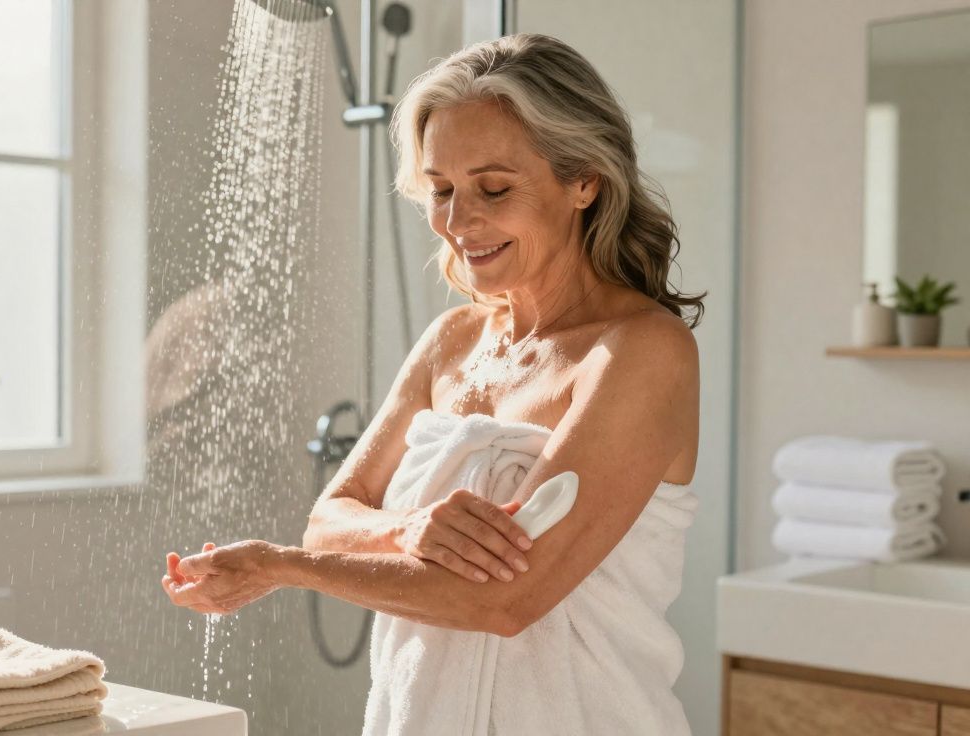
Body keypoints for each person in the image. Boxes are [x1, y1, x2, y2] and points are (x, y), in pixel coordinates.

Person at [162, 33, 707, 735]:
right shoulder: (453, 341)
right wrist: (410, 528)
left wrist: (279, 567)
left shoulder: (640, 352)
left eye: (494, 188)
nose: (456, 221)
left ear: (585, 180)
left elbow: (507, 602)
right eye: (441, 189)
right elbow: (330, 520)